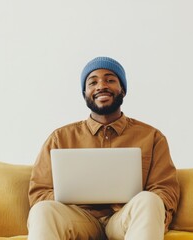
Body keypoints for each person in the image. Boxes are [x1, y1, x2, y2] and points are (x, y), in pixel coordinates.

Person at [27, 56, 180, 240]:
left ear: (122, 89)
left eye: (110, 80)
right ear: (85, 93)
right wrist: (73, 199)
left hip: (125, 218)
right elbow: (39, 192)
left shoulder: (152, 137)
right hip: (78, 219)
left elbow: (164, 189)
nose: (101, 86)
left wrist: (147, 210)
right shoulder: (60, 138)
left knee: (150, 199)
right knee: (42, 210)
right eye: (93, 82)